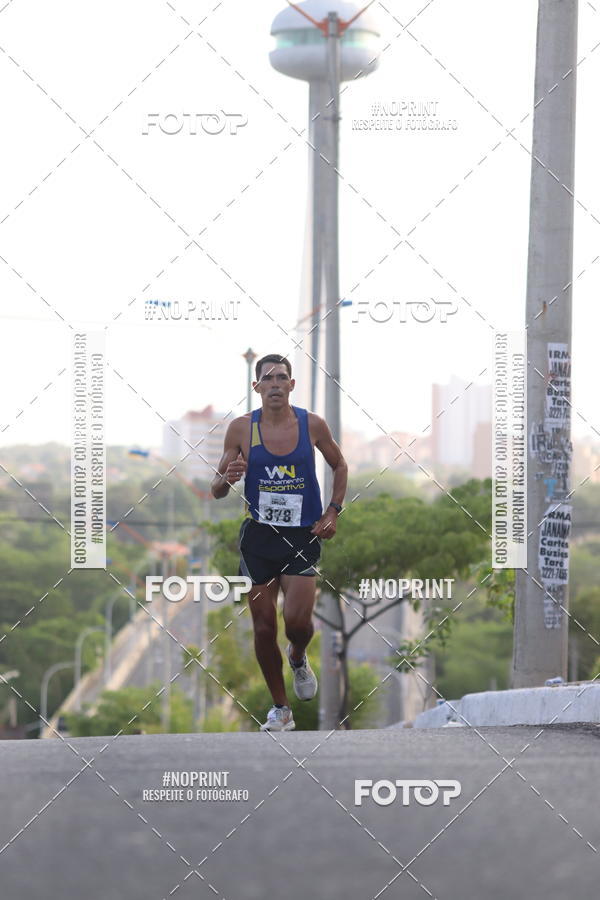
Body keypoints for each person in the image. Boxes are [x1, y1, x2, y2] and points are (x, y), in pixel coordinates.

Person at [211, 354, 348, 731]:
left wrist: (333, 510)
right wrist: (229, 478)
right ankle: (281, 709)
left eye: (281, 377)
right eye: (267, 378)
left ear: (291, 385)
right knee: (263, 627)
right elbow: (216, 489)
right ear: (256, 387)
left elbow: (340, 465)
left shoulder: (312, 425)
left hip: (302, 535)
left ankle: (299, 656)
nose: (274, 383)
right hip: (259, 538)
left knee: (297, 623)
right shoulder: (241, 430)